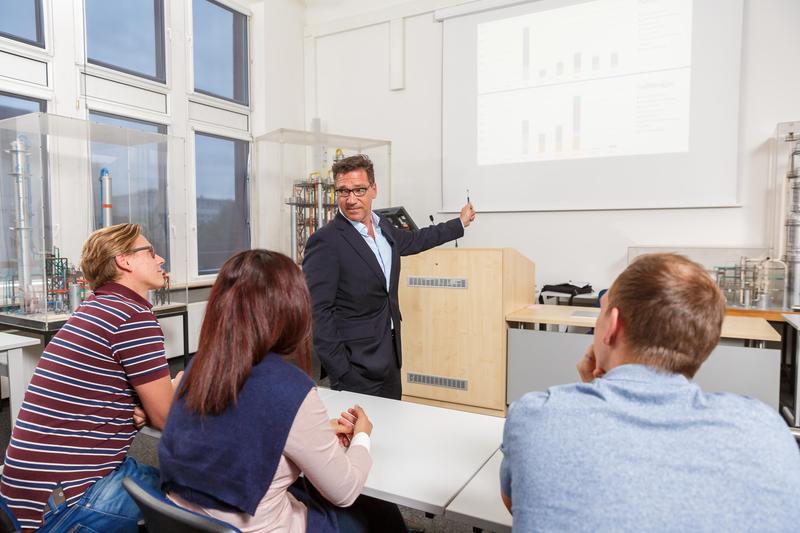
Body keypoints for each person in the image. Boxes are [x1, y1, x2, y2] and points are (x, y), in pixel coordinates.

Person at [500, 253, 800, 532]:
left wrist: (589, 391)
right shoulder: (766, 430)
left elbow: (518, 502)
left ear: (612, 326)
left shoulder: (536, 417)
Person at [159, 249, 401, 532]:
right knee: (379, 515)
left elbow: (233, 429)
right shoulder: (291, 389)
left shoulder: (197, 369)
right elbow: (344, 491)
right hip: (260, 527)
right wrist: (362, 437)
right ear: (292, 309)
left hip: (187, 521)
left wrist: (312, 431)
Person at [0, 224, 180, 532]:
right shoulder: (132, 317)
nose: (160, 258)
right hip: (64, 504)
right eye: (150, 252)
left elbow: (102, 390)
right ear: (125, 261)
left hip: (21, 497)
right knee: (197, 498)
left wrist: (136, 409)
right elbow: (167, 418)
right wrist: (175, 390)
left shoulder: (95, 307)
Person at [303, 154, 476, 399]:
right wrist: (341, 372)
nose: (351, 199)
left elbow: (417, 239)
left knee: (389, 431)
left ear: (374, 189)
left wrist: (459, 223)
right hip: (354, 367)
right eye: (343, 192)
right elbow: (317, 313)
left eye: (359, 190)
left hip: (390, 357)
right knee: (359, 436)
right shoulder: (325, 241)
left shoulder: (384, 227)